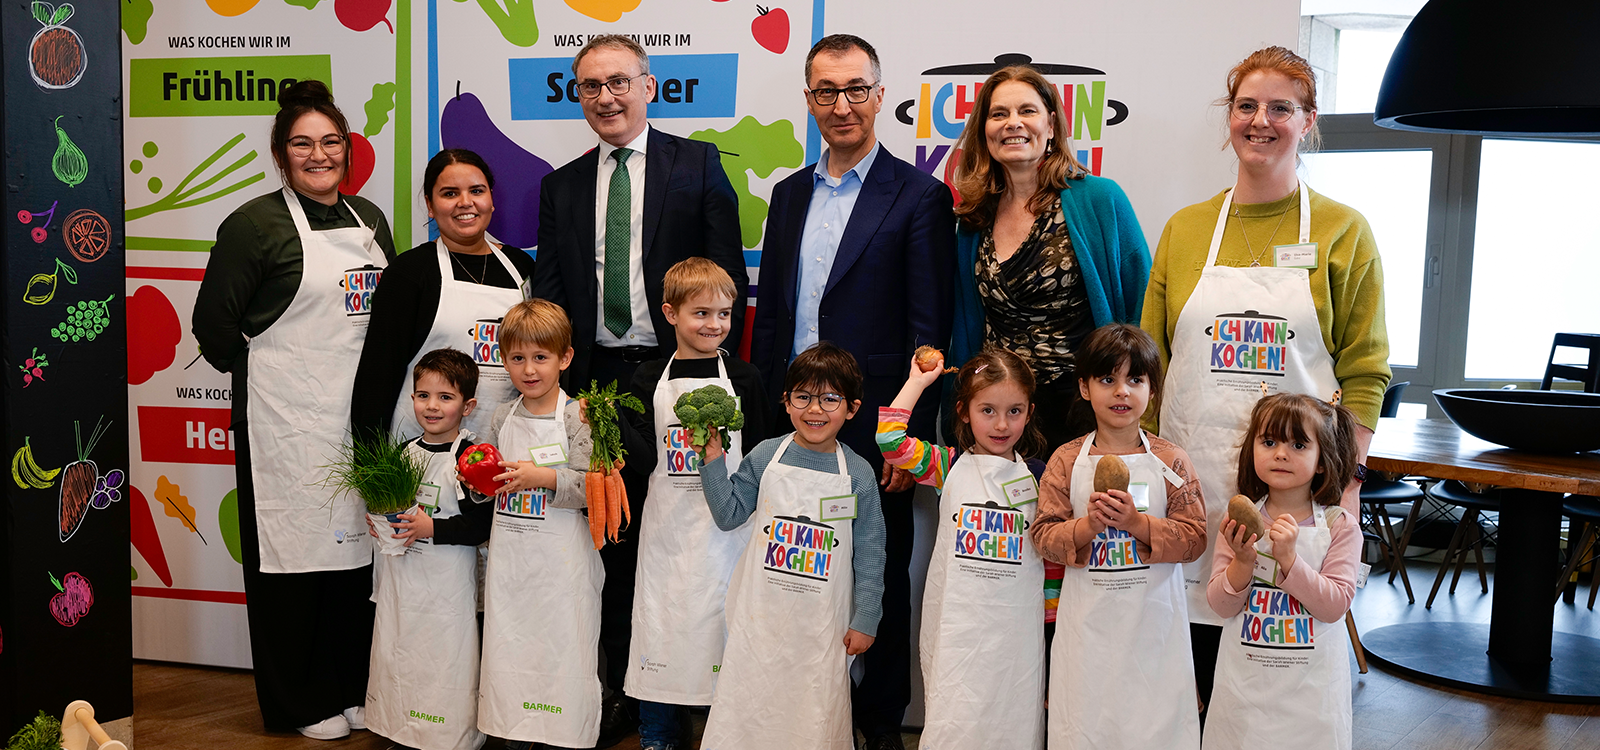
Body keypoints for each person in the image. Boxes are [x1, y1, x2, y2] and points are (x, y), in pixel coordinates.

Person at [1140, 46, 1390, 716]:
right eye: (1246, 106)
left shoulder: (1343, 232)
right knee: (1195, 659)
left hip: (1299, 499)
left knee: (1285, 673)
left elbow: (1366, 368)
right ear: (1229, 118)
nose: (1261, 120)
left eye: (1281, 107)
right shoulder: (1185, 230)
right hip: (1195, 489)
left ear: (1307, 121)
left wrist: (1348, 479)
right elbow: (1152, 366)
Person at [530, 36, 745, 739]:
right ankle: (625, 686)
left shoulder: (699, 163)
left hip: (680, 376)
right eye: (590, 86)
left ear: (649, 86)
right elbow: (556, 300)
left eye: (619, 82)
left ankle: (704, 692)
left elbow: (726, 283)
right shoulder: (560, 186)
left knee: (696, 532)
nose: (606, 98)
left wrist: (715, 373)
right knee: (615, 537)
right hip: (599, 386)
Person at [747, 35, 954, 747]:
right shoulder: (789, 193)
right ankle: (795, 710)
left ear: (878, 94)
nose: (842, 105)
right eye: (826, 91)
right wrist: (760, 419)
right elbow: (771, 315)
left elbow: (929, 331)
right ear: (808, 100)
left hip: (875, 425)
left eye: (856, 89)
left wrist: (909, 439)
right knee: (789, 567)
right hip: (791, 422)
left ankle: (879, 722)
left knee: (880, 572)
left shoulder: (921, 196)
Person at [192, 79, 396, 740]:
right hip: (287, 422)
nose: (319, 155)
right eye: (303, 144)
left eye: (330, 142)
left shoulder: (370, 219)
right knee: (293, 561)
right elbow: (213, 329)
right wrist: (279, 380)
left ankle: (352, 684)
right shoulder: (254, 225)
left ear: (348, 149)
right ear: (281, 155)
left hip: (361, 419)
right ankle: (297, 701)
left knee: (356, 558)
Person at [948, 65, 1151, 455]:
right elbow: (966, 326)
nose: (1013, 124)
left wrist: (1133, 401)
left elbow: (1139, 307)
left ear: (1052, 125)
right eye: (998, 114)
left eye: (1027, 111)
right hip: (1002, 417)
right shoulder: (972, 220)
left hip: (1084, 411)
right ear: (984, 130)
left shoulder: (1100, 200)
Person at [697, 343, 886, 750]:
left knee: (814, 709)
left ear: (851, 408)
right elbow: (729, 515)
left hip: (823, 625)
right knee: (751, 703)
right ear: (786, 402)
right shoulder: (766, 455)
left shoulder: (858, 473)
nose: (814, 410)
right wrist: (712, 461)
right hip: (762, 619)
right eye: (803, 397)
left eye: (830, 399)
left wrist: (867, 616)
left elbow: (871, 550)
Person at [616, 258, 770, 750]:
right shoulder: (646, 378)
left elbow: (763, 452)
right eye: (701, 313)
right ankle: (659, 734)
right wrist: (609, 418)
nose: (715, 324)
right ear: (670, 313)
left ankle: (728, 734)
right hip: (666, 532)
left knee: (725, 630)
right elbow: (642, 462)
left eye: (724, 314)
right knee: (660, 628)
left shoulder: (744, 378)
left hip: (730, 534)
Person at [1031, 324, 1206, 750]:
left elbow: (1196, 537)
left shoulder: (1170, 460)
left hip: (1154, 629)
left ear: (1152, 390)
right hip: (1088, 630)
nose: (1121, 392)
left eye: (1135, 380)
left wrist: (1138, 523)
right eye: (1108, 379)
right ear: (1085, 388)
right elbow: (1042, 535)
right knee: (1089, 725)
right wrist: (1088, 525)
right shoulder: (1066, 459)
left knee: (1154, 726)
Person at [877, 346, 1049, 750]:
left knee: (1012, 717)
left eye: (1014, 411)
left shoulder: (1042, 477)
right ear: (963, 411)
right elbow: (889, 439)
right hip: (959, 624)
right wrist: (919, 380)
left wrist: (1051, 626)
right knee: (956, 713)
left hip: (1017, 627)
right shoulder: (945, 464)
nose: (1002, 424)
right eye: (987, 410)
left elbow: (1051, 561)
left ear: (1030, 412)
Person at [1204, 393, 1362, 750]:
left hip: (1311, 696)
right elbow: (1220, 605)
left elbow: (1334, 606)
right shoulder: (1237, 521)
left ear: (1323, 460)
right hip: (1245, 694)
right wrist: (1243, 563)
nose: (1280, 453)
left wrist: (1290, 560)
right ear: (1252, 449)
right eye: (1269, 441)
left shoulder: (1341, 527)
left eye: (1299, 444)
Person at [475, 300, 599, 750]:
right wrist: (473, 478)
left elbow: (593, 487)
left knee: (563, 651)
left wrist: (541, 477)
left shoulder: (580, 415)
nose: (529, 370)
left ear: (565, 358)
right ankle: (511, 733)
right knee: (511, 649)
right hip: (512, 568)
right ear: (503, 360)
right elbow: (484, 486)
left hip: (563, 568)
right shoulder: (498, 418)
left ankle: (562, 735)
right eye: (518, 358)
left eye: (541, 358)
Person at [351, 148, 537, 443]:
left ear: (491, 199)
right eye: (450, 193)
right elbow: (377, 376)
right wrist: (372, 467)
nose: (466, 203)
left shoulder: (522, 267)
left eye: (476, 191)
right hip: (420, 452)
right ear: (430, 204)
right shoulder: (409, 273)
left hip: (505, 449)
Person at [364, 348, 491, 750]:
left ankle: (447, 736)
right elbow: (391, 511)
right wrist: (381, 523)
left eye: (445, 397)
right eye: (423, 395)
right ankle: (401, 729)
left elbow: (479, 527)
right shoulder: (402, 453)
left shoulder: (472, 457)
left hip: (447, 589)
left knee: (443, 660)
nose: (432, 406)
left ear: (468, 405)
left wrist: (430, 527)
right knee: (400, 652)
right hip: (403, 586)